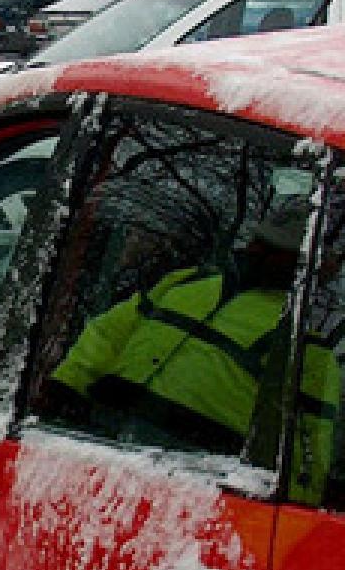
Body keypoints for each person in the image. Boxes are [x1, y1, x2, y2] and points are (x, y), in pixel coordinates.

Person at [46, 204, 338, 503]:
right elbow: (107, 335)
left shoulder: (306, 347)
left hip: (192, 487)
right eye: (261, 243)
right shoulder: (186, 282)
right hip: (96, 448)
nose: (258, 253)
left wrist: (290, 511)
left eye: (276, 250)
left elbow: (307, 450)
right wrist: (67, 386)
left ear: (302, 264)